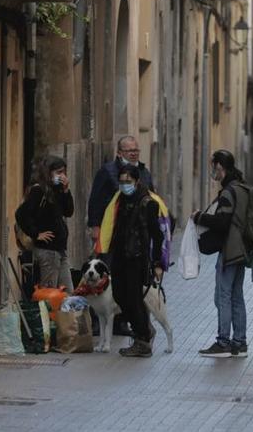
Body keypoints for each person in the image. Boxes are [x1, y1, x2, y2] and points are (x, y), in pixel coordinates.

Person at [87, 136, 154, 336]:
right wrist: (95, 226)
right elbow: (96, 199)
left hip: (133, 237)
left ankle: (121, 321)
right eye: (128, 150)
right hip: (111, 234)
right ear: (119, 153)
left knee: (127, 281)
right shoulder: (107, 171)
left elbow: (152, 197)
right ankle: (99, 320)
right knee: (104, 275)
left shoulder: (144, 172)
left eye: (136, 150)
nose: (133, 153)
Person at [97, 165, 165, 357]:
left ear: (136, 181)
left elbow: (157, 235)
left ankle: (142, 339)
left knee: (134, 299)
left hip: (137, 258)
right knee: (119, 296)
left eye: (128, 181)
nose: (124, 185)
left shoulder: (147, 203)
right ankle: (144, 330)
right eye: (122, 181)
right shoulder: (119, 202)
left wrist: (158, 262)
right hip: (119, 256)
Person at [194, 150, 250, 358]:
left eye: (213, 167)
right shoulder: (242, 188)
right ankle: (240, 343)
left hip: (230, 250)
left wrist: (199, 217)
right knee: (236, 296)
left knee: (223, 296)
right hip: (242, 249)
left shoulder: (228, 192)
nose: (212, 172)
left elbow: (222, 222)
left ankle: (223, 342)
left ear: (220, 167)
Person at [15, 156, 75, 292]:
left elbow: (68, 211)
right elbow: (21, 214)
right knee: (49, 293)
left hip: (60, 249)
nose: (62, 176)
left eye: (64, 172)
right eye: (58, 172)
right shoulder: (38, 191)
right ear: (48, 173)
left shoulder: (56, 190)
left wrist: (66, 191)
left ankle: (64, 314)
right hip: (48, 250)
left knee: (68, 293)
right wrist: (36, 234)